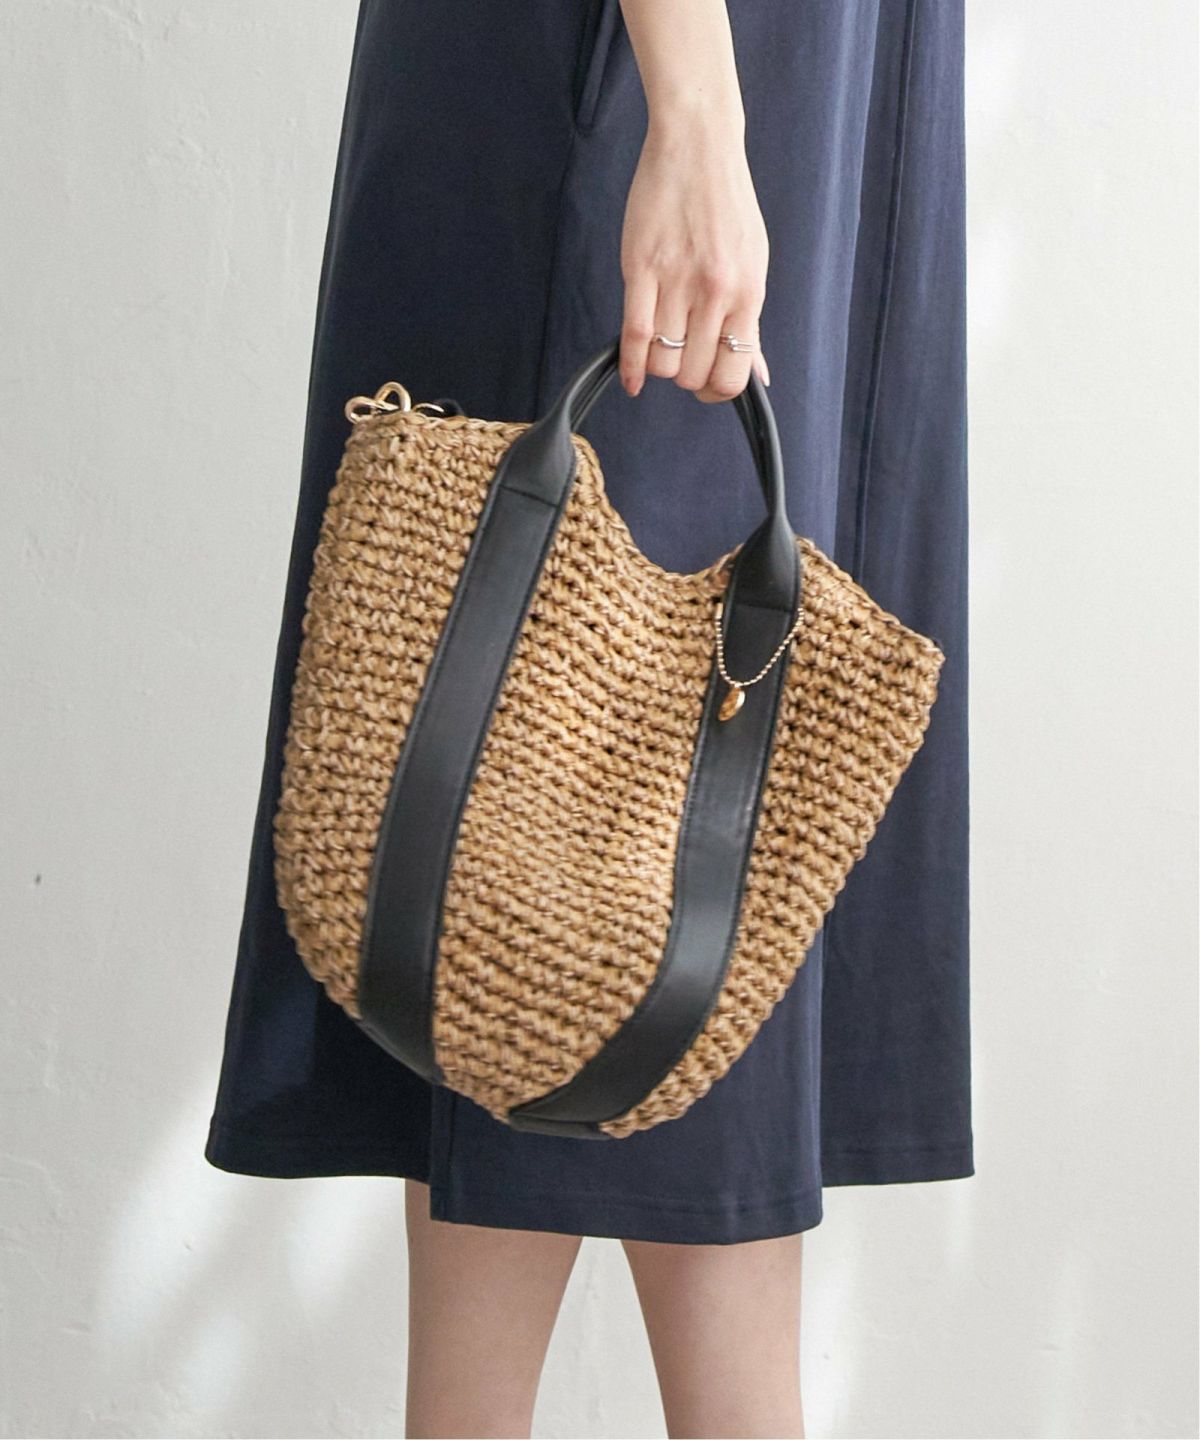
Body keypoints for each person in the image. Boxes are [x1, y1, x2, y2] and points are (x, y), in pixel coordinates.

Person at [204, 3, 974, 1435]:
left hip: (794, 76)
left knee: (627, 890)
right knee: (561, 876)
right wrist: (696, 111)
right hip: (668, 63)